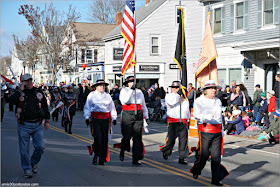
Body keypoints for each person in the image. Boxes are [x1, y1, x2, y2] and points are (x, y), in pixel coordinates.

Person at [8, 73, 50, 178]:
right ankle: (27, 169)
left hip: (37, 124)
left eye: (30, 80)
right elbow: (10, 101)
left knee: (40, 147)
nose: (30, 82)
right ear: (23, 82)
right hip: (23, 125)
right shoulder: (19, 92)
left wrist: (47, 120)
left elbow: (44, 106)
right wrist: (20, 90)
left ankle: (34, 162)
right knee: (24, 150)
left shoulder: (38, 91)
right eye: (27, 81)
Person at [190, 80, 228, 186]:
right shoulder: (199, 101)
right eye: (211, 88)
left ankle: (215, 179)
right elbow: (196, 115)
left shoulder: (218, 101)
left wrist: (222, 129)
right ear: (205, 91)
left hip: (217, 131)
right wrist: (206, 118)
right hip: (206, 130)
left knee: (216, 157)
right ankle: (196, 170)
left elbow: (220, 117)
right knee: (204, 155)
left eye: (214, 88)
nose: (213, 90)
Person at [84, 80, 117, 165]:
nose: (102, 87)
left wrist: (114, 118)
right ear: (96, 87)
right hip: (96, 119)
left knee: (104, 139)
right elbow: (87, 107)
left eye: (103, 85)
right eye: (100, 85)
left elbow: (112, 107)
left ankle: (102, 158)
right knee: (98, 138)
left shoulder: (108, 96)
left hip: (105, 119)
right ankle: (96, 155)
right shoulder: (91, 95)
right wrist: (87, 117)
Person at [118, 76, 150, 165]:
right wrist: (131, 91)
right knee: (127, 136)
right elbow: (124, 101)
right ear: (127, 83)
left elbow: (143, 105)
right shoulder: (124, 91)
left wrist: (146, 116)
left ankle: (136, 158)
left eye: (134, 82)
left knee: (137, 137)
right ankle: (123, 149)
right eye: (131, 82)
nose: (133, 83)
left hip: (138, 115)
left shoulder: (139, 92)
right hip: (128, 114)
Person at [160, 81, 191, 165]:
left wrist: (188, 119)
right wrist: (178, 95)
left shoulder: (184, 98)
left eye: (178, 88)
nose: (176, 89)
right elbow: (172, 103)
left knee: (183, 141)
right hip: (173, 121)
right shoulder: (169, 96)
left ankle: (182, 158)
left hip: (183, 121)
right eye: (175, 88)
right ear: (172, 88)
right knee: (171, 140)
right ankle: (166, 152)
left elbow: (186, 110)